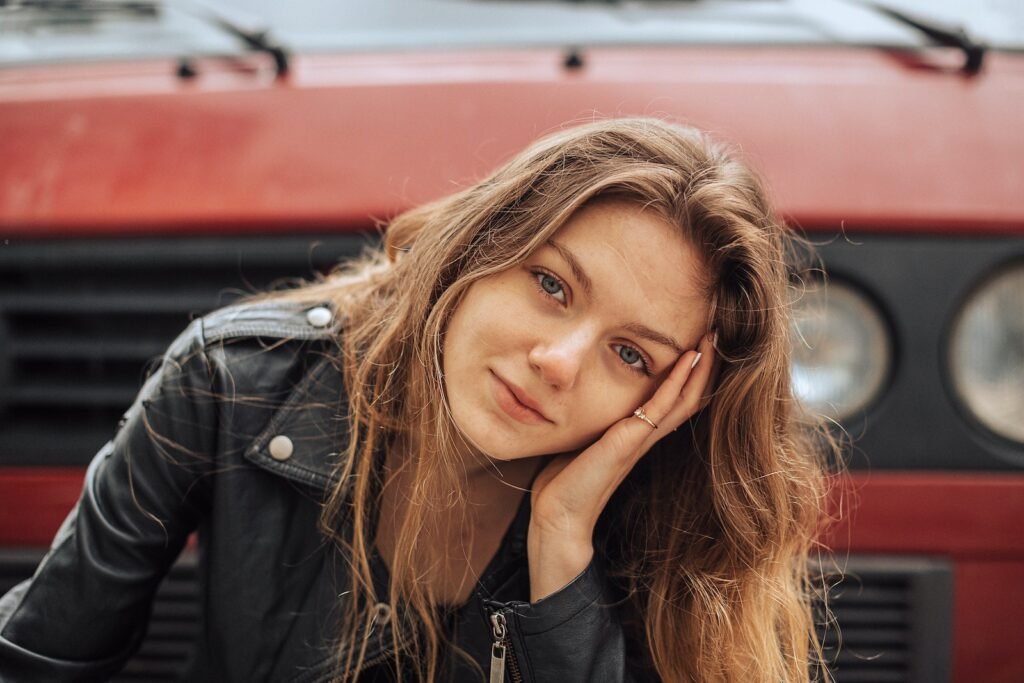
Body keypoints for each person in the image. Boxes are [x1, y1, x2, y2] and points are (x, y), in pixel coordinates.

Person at [0, 117, 836, 682]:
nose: (557, 360)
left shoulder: (661, 516)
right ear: (479, 246)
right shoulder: (234, 381)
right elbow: (37, 657)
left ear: (673, 395)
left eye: (629, 353)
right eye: (550, 283)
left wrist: (561, 552)